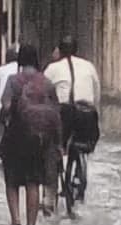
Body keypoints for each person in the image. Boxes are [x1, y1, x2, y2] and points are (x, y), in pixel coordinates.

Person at [0, 43, 61, 225]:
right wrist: (57, 143)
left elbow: (6, 106)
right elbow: (56, 113)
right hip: (38, 140)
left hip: (15, 136)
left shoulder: (13, 81)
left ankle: (16, 222)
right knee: (33, 182)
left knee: (12, 181)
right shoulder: (47, 83)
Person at [43, 35, 101, 206]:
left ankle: (49, 196)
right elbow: (96, 95)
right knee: (85, 143)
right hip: (88, 114)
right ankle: (78, 175)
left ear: (59, 51)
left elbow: (44, 93)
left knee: (52, 148)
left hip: (65, 113)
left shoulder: (52, 68)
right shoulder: (89, 66)